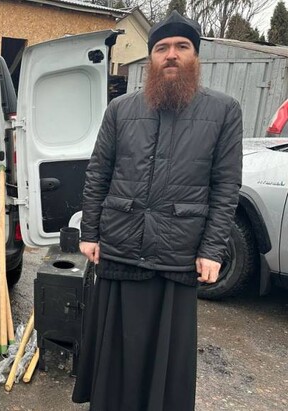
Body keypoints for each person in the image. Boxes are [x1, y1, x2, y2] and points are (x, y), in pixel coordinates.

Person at [72, 11, 243, 411]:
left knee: (165, 359)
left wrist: (212, 250)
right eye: (162, 48)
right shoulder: (121, 109)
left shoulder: (223, 110)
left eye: (182, 47)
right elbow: (99, 172)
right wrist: (89, 232)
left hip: (177, 253)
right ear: (150, 58)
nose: (171, 55)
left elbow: (225, 186)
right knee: (115, 351)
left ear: (195, 56)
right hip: (120, 246)